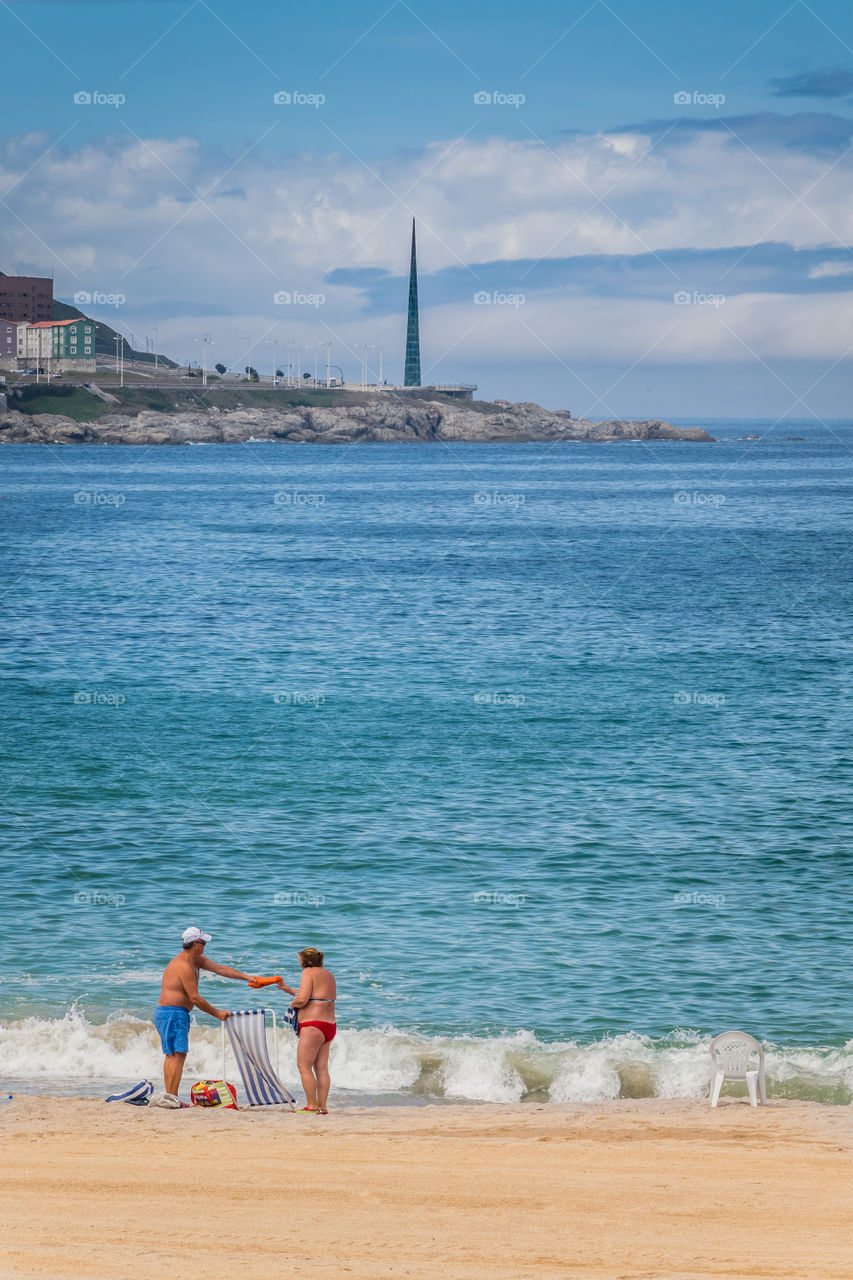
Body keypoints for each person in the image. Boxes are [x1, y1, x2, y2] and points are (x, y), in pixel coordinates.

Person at [151, 927, 256, 1109]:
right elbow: (194, 998)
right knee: (177, 1055)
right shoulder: (183, 965)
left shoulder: (196, 960)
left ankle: (170, 1096)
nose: (205, 946)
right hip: (173, 1013)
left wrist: (247, 977)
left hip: (171, 1013)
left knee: (173, 1055)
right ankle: (172, 1097)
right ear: (195, 944)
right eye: (203, 942)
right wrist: (217, 1014)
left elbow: (221, 969)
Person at [277, 947, 336, 1114]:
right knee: (322, 1068)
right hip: (329, 1026)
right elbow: (315, 995)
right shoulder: (328, 975)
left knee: (304, 1065)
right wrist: (289, 990)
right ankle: (322, 1107)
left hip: (313, 1025)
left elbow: (303, 999)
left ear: (306, 961)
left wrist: (292, 1005)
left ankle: (311, 1106)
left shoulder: (308, 972)